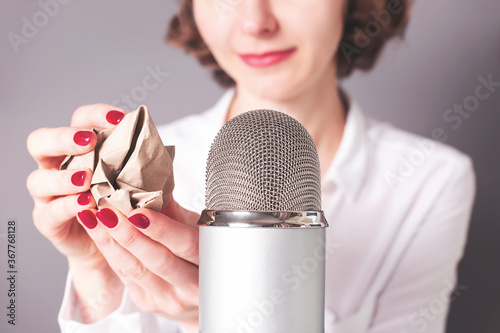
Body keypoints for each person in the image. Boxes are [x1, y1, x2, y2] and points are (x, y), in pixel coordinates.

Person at [26, 0, 475, 332]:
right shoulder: (137, 169)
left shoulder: (428, 179)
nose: (255, 22)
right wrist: (96, 274)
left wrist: (230, 315)